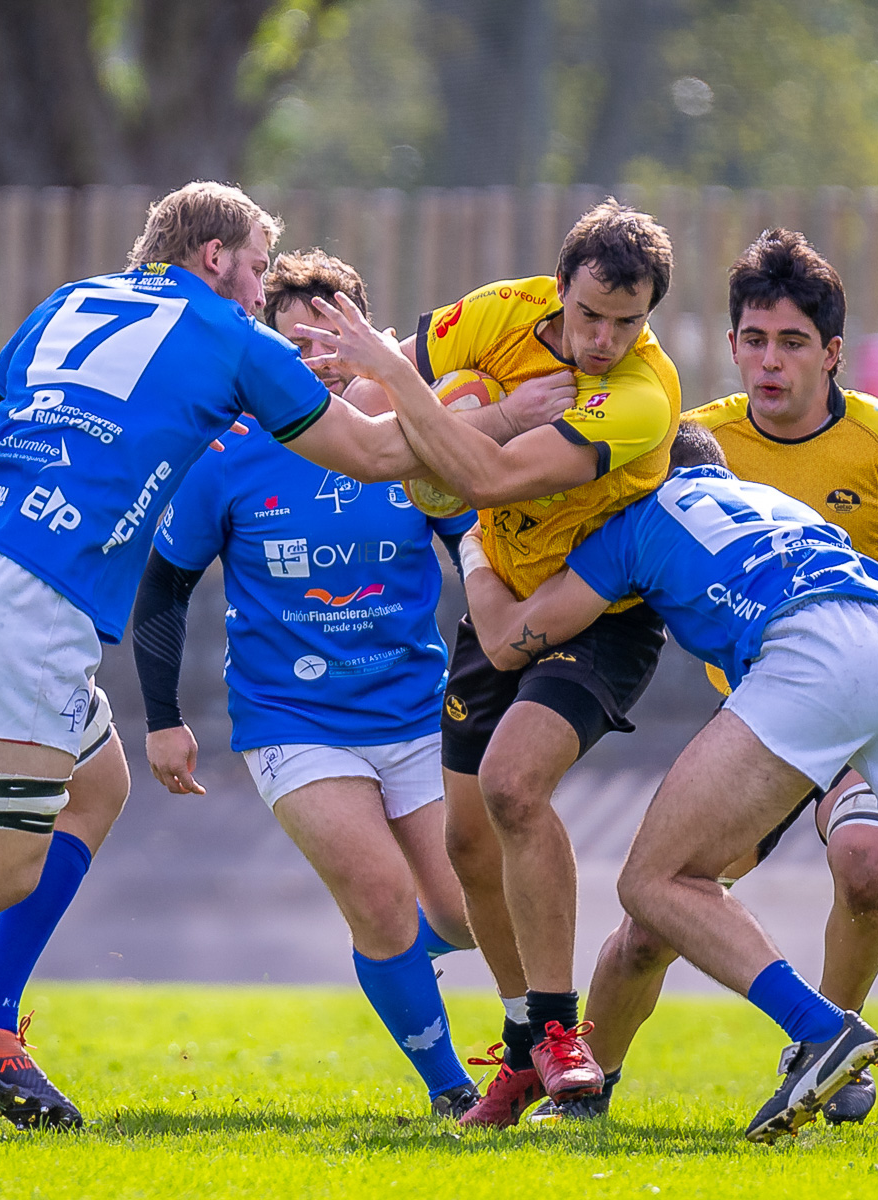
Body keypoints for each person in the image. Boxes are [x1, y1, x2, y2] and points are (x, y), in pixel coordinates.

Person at [0, 182, 524, 1129]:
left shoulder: (65, 304)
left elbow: (13, 403)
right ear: (218, 257)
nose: (262, 286)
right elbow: (373, 455)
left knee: (98, 789)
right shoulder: (235, 337)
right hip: (28, 594)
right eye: (260, 266)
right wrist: (506, 420)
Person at [437, 415, 878, 1151]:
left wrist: (474, 544)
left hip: (814, 657)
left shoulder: (632, 522)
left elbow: (507, 641)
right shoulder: (772, 501)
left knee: (653, 883)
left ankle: (821, 1030)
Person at [558, 228, 878, 1124]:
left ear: (832, 353)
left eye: (792, 343)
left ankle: (828, 1047)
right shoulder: (687, 439)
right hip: (764, 720)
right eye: (754, 340)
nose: (770, 363)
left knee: (870, 862)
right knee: (645, 930)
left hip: (869, 709)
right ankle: (592, 1083)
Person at [135, 249, 563, 1118]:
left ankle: (390, 958)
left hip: (413, 712)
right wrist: (162, 719)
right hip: (290, 719)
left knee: (466, 912)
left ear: (371, 345)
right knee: (379, 898)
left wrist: (520, 656)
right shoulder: (229, 452)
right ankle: (454, 1095)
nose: (315, 364)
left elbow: (478, 552)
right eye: (291, 347)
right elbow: (163, 586)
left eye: (332, 344)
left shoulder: (414, 438)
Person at [344, 200, 681, 1126]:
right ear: (559, 288)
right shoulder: (495, 312)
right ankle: (527, 1044)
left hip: (600, 612)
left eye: (628, 321)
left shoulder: (645, 395)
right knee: (464, 845)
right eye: (590, 317)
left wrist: (443, 413)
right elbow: (373, 413)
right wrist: (440, 397)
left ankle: (562, 1030)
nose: (605, 339)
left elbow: (483, 479)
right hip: (499, 589)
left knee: (513, 786)